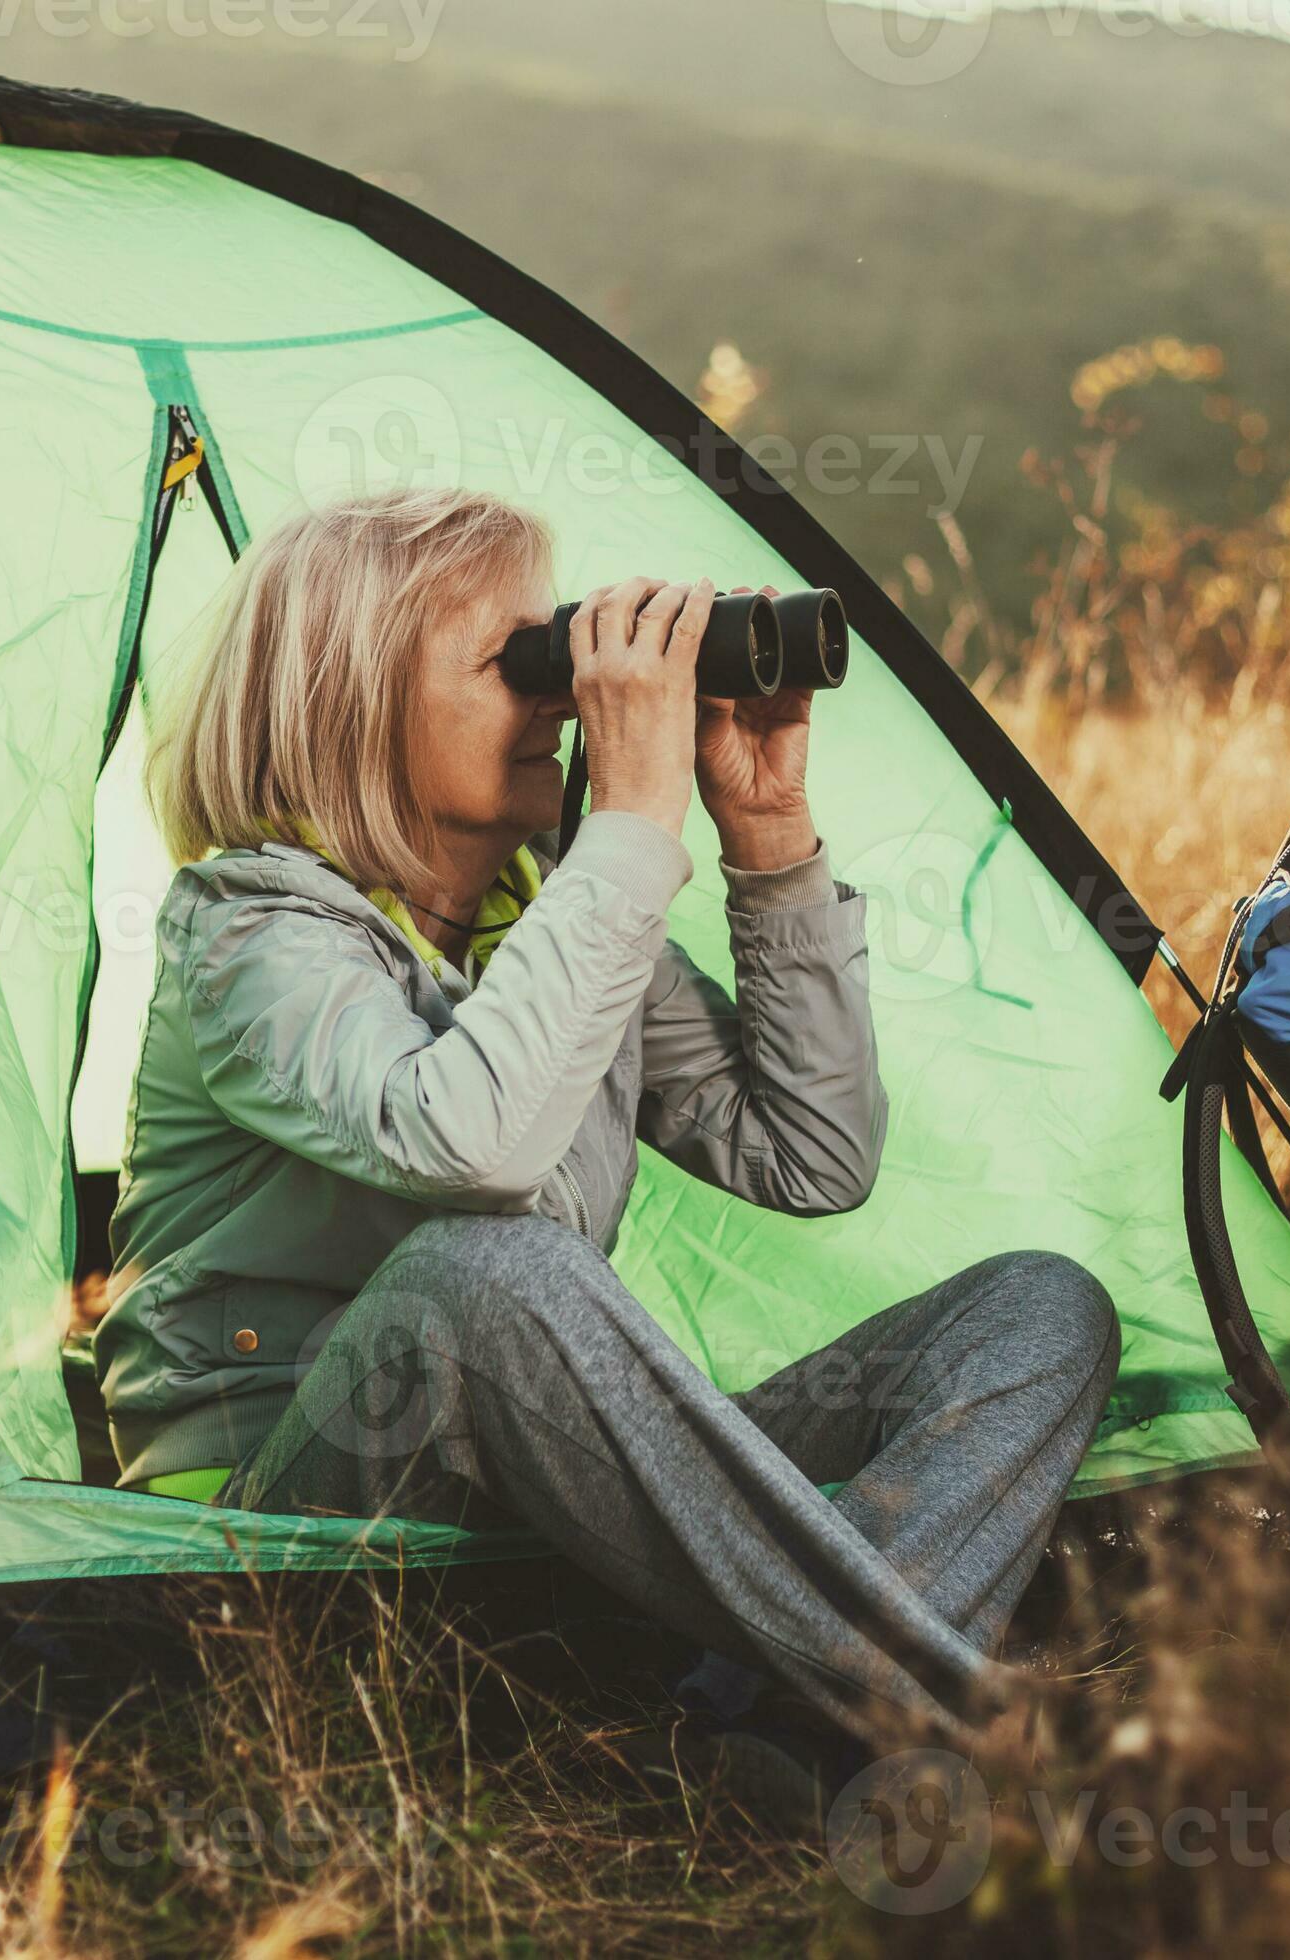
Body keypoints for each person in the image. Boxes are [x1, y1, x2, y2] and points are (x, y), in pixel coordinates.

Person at [95, 486, 1119, 1761]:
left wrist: (765, 834)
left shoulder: (557, 914)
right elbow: (471, 1148)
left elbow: (816, 1154)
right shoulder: (248, 926)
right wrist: (632, 825)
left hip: (534, 1517)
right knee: (486, 1273)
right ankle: (929, 1693)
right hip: (290, 1527)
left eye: (564, 654)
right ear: (350, 704)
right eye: (520, 664)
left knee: (1034, 1307)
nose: (571, 697)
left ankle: (792, 1711)